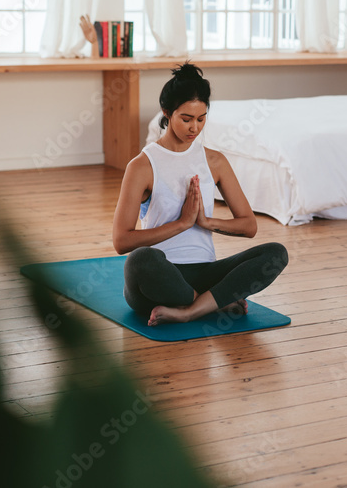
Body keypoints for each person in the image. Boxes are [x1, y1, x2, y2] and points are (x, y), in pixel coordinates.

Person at [112, 62, 288, 326]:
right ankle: (215, 303)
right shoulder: (142, 166)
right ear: (167, 112)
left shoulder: (214, 161)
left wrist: (207, 223)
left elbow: (249, 226)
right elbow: (121, 241)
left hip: (204, 271)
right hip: (158, 277)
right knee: (140, 260)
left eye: (201, 119)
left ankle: (191, 310)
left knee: (276, 253)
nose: (194, 128)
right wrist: (181, 224)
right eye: (186, 119)